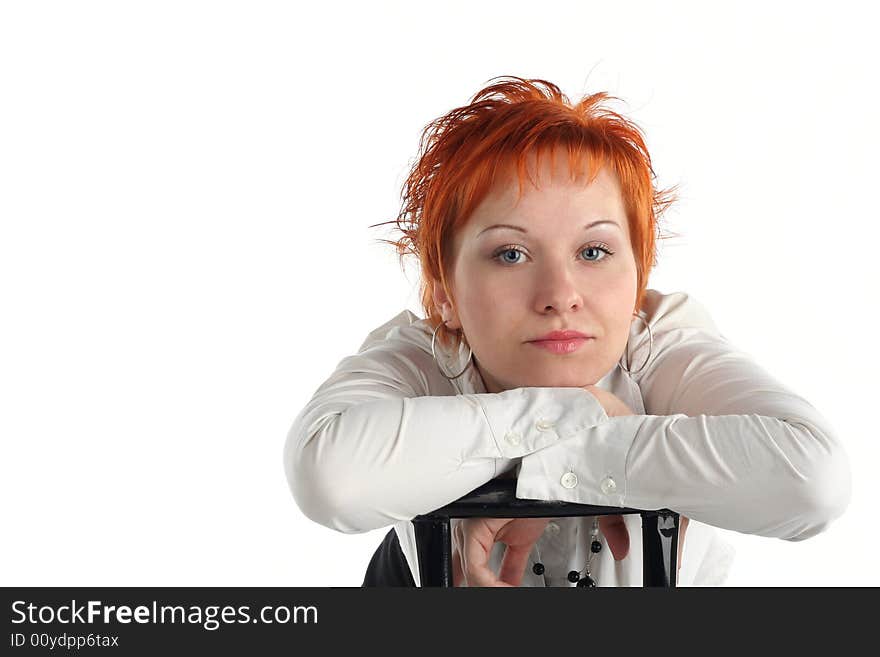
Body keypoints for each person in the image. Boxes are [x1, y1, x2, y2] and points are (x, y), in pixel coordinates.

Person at [283, 76, 852, 586]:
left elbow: (814, 484)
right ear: (443, 293)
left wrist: (567, 454)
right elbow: (331, 480)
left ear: (638, 277)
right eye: (510, 253)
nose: (559, 294)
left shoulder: (657, 343)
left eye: (593, 250)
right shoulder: (425, 352)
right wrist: (582, 412)